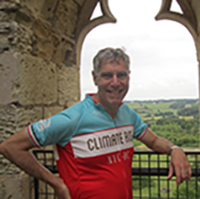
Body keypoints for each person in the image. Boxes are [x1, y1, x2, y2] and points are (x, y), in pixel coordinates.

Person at [0, 47, 191, 199]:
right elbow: (11, 146)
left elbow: (154, 140)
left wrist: (175, 149)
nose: (115, 83)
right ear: (95, 78)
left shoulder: (128, 114)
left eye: (122, 75)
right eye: (107, 75)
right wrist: (56, 183)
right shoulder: (72, 118)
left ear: (129, 77)